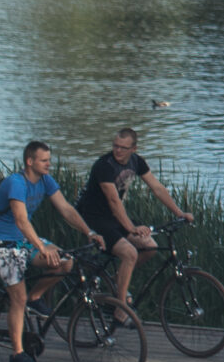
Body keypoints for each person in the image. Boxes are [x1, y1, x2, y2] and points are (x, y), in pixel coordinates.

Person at [0, 141, 105, 362]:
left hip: (24, 241)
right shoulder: (16, 183)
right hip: (1, 243)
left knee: (65, 262)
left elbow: (66, 208)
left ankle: (35, 298)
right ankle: (17, 354)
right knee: (17, 297)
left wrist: (89, 232)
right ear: (30, 162)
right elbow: (21, 219)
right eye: (44, 160)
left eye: (49, 159)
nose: (49, 164)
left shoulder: (46, 181)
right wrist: (41, 247)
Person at [76, 127, 193, 322]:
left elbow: (156, 188)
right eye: (115, 146)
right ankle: (120, 309)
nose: (118, 151)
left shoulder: (136, 161)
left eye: (123, 147)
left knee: (150, 247)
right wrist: (131, 228)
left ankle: (115, 283)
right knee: (129, 253)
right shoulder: (104, 166)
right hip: (94, 219)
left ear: (134, 148)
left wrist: (179, 213)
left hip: (114, 218)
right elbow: (114, 201)